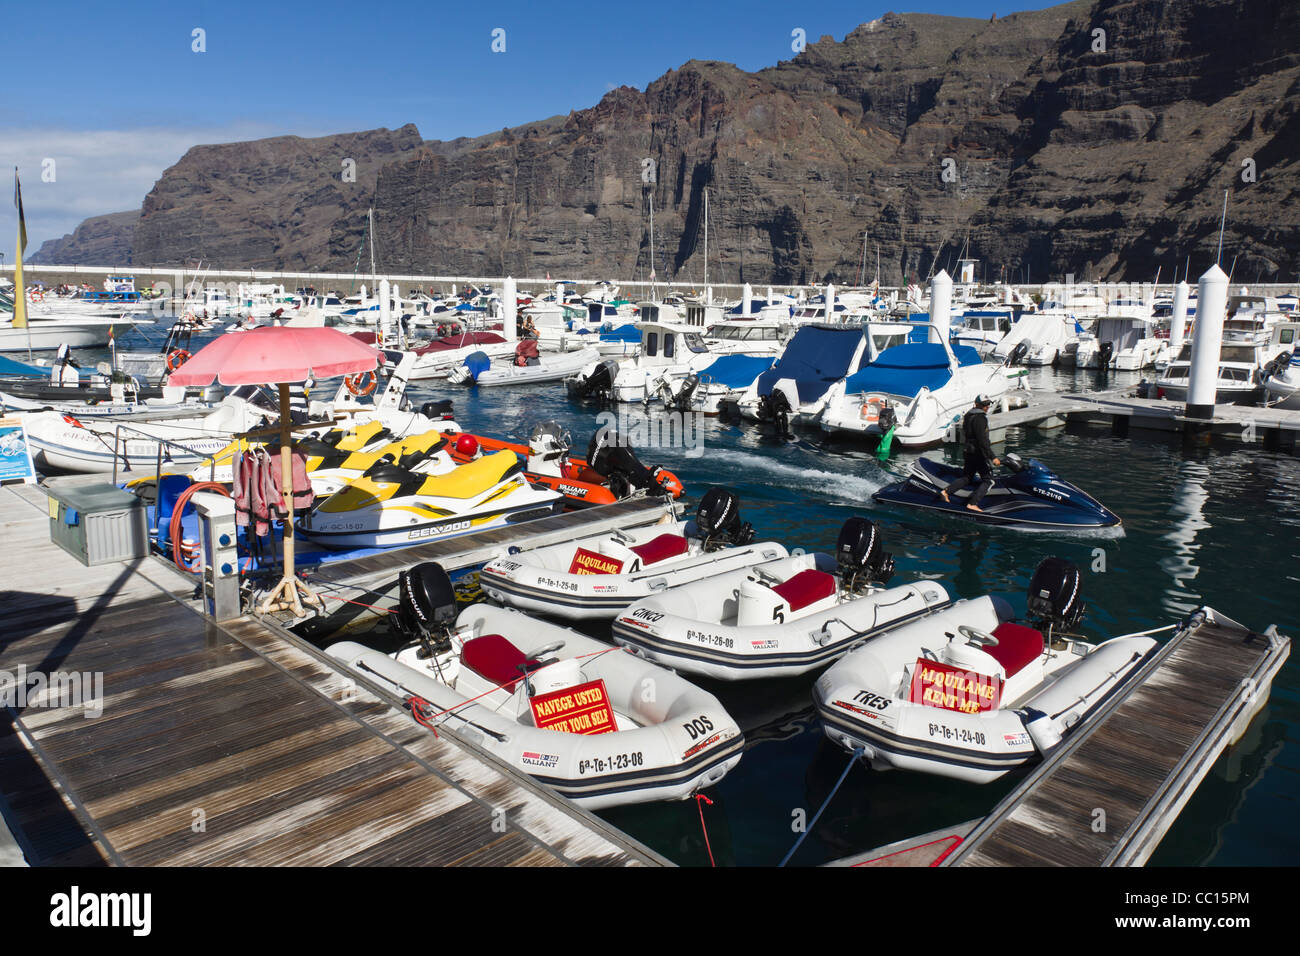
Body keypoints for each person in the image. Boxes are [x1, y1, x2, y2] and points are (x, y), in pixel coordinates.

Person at [940, 396, 1000, 512]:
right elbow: (981, 439)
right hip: (977, 453)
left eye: (988, 404)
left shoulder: (969, 415)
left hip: (968, 451)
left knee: (967, 477)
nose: (987, 407)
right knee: (989, 480)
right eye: (984, 404)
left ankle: (945, 492)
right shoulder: (980, 418)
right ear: (977, 404)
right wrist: (992, 457)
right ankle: (972, 503)